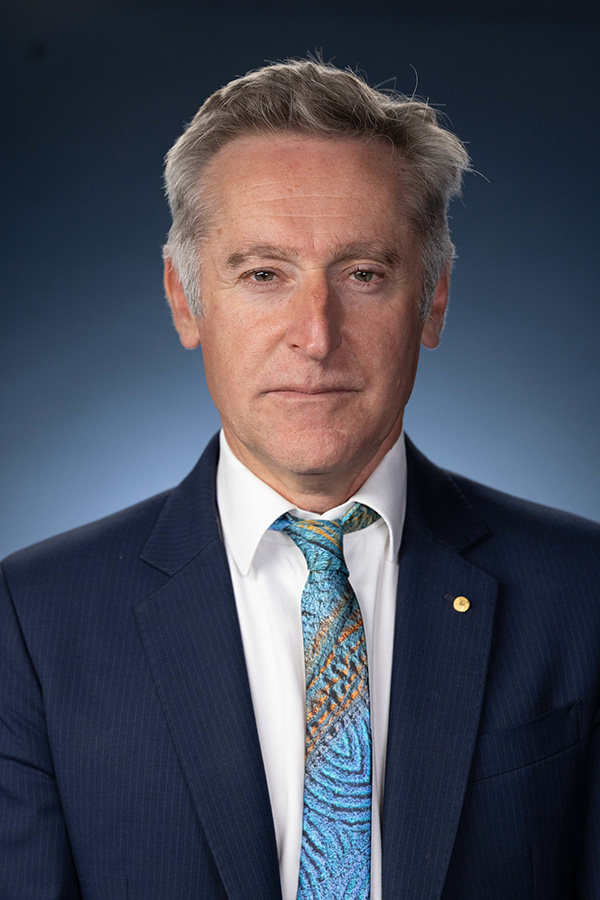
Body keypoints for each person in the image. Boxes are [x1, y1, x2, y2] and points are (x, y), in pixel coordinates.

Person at [0, 59, 598, 900]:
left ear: (432, 299)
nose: (316, 336)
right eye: (263, 274)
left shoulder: (580, 590)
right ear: (184, 298)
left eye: (363, 274)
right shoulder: (33, 622)